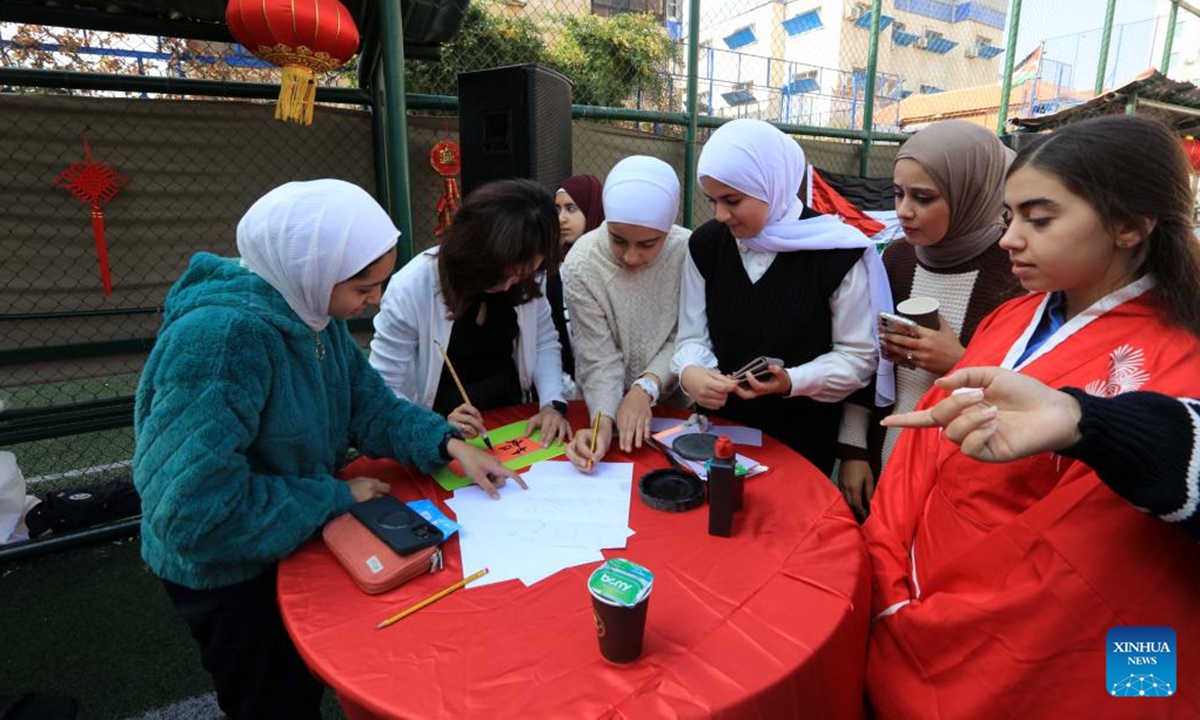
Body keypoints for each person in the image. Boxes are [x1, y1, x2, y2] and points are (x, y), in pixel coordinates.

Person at [132, 180, 523, 719]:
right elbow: (192, 510)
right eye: (364, 286)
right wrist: (333, 497)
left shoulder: (312, 311)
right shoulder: (222, 340)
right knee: (273, 696)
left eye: (380, 282)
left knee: (310, 676)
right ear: (310, 271)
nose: (377, 300)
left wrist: (447, 442)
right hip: (229, 572)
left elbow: (367, 402)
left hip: (290, 535)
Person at [864, 116, 1200, 719]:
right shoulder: (1012, 317)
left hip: (1010, 631)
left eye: (1038, 220)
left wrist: (936, 618)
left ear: (1129, 226)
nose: (1009, 240)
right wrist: (887, 568)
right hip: (911, 574)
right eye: (1008, 218)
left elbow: (1090, 563)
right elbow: (923, 447)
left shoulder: (1178, 369)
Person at [671, 118, 892, 475]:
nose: (720, 215)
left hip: (801, 439)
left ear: (772, 186)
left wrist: (794, 380)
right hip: (719, 436)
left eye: (733, 200)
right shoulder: (707, 245)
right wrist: (692, 372)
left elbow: (858, 357)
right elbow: (693, 335)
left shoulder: (834, 252)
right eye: (712, 200)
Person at [837, 120, 1024, 520]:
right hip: (882, 456)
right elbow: (868, 358)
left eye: (923, 198)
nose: (903, 211)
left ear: (970, 194)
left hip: (960, 476)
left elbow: (1031, 391)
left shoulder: (1014, 273)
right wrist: (853, 448)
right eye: (898, 193)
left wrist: (959, 362)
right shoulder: (896, 258)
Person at [883, 366, 1200, 538]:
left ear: (1128, 239)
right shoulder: (1012, 310)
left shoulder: (1180, 356)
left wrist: (1086, 422)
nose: (1008, 241)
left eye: (1043, 237)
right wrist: (1077, 416)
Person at [370, 178, 572, 445]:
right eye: (503, 273)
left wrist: (551, 404)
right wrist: (435, 428)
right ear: (476, 250)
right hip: (436, 430)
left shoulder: (525, 277)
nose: (509, 285)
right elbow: (383, 386)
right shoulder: (413, 287)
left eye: (522, 274)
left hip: (511, 421)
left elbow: (544, 340)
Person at [559, 157, 691, 470]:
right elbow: (596, 354)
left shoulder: (688, 252)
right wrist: (602, 422)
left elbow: (686, 334)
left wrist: (647, 387)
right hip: (599, 402)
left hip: (672, 412)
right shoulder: (581, 262)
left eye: (648, 244)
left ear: (667, 230)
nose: (631, 257)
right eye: (617, 240)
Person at [546, 175, 604, 391]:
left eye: (571, 209)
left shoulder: (609, 264)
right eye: (557, 209)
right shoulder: (549, 265)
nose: (562, 218)